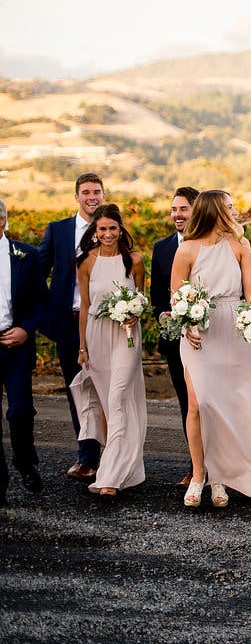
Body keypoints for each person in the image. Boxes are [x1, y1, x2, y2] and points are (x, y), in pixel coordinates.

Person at [171, 190, 251, 508]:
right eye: (230, 207)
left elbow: (250, 293)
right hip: (200, 331)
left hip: (234, 327)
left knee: (236, 402)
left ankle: (221, 477)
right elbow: (176, 296)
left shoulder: (240, 245)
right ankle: (200, 475)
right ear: (214, 212)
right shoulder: (186, 250)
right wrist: (187, 325)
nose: (235, 212)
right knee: (200, 404)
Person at [74, 204, 148, 498]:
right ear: (94, 231)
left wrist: (136, 314)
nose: (107, 234)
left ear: (121, 229)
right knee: (108, 403)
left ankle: (109, 476)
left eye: (112, 228)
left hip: (126, 336)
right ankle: (123, 464)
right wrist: (82, 347)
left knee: (117, 397)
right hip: (97, 335)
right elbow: (85, 308)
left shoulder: (135, 260)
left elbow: (142, 300)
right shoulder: (86, 262)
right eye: (102, 229)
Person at [38, 172, 105, 480]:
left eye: (97, 192)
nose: (92, 197)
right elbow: (37, 273)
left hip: (105, 322)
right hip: (68, 321)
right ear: (77, 196)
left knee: (107, 390)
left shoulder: (111, 229)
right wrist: (44, 311)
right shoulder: (58, 231)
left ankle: (114, 455)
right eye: (86, 192)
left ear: (104, 196)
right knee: (76, 389)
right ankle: (87, 456)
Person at [150, 186, 199, 486]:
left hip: (206, 338)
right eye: (174, 209)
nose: (177, 215)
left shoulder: (210, 244)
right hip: (175, 338)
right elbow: (157, 295)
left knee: (208, 402)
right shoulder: (162, 247)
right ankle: (195, 466)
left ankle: (222, 465)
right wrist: (162, 314)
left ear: (197, 210)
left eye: (183, 209)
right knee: (186, 402)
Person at [0, 199, 47, 508]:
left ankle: (24, 458)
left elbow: (41, 303)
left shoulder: (25, 256)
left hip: (15, 344)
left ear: (3, 220)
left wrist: (26, 329)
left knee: (20, 411)